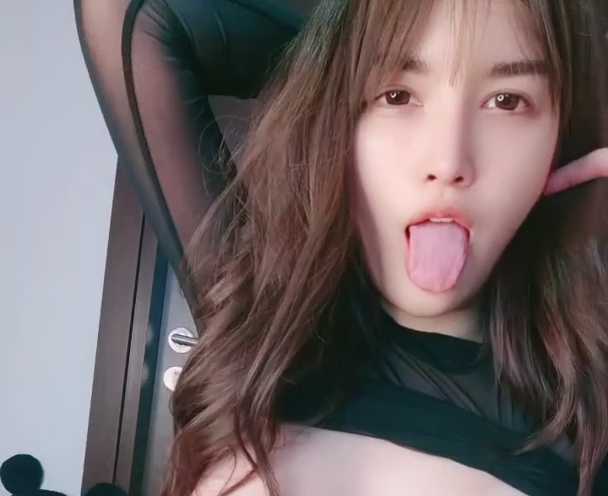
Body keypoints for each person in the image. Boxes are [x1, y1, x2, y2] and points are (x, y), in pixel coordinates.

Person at [75, 1, 608, 495]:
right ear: (337, 118)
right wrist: (352, 25)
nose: (448, 161)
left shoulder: (587, 393)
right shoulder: (266, 335)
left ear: (562, 137)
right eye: (395, 95)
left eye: (506, 101)